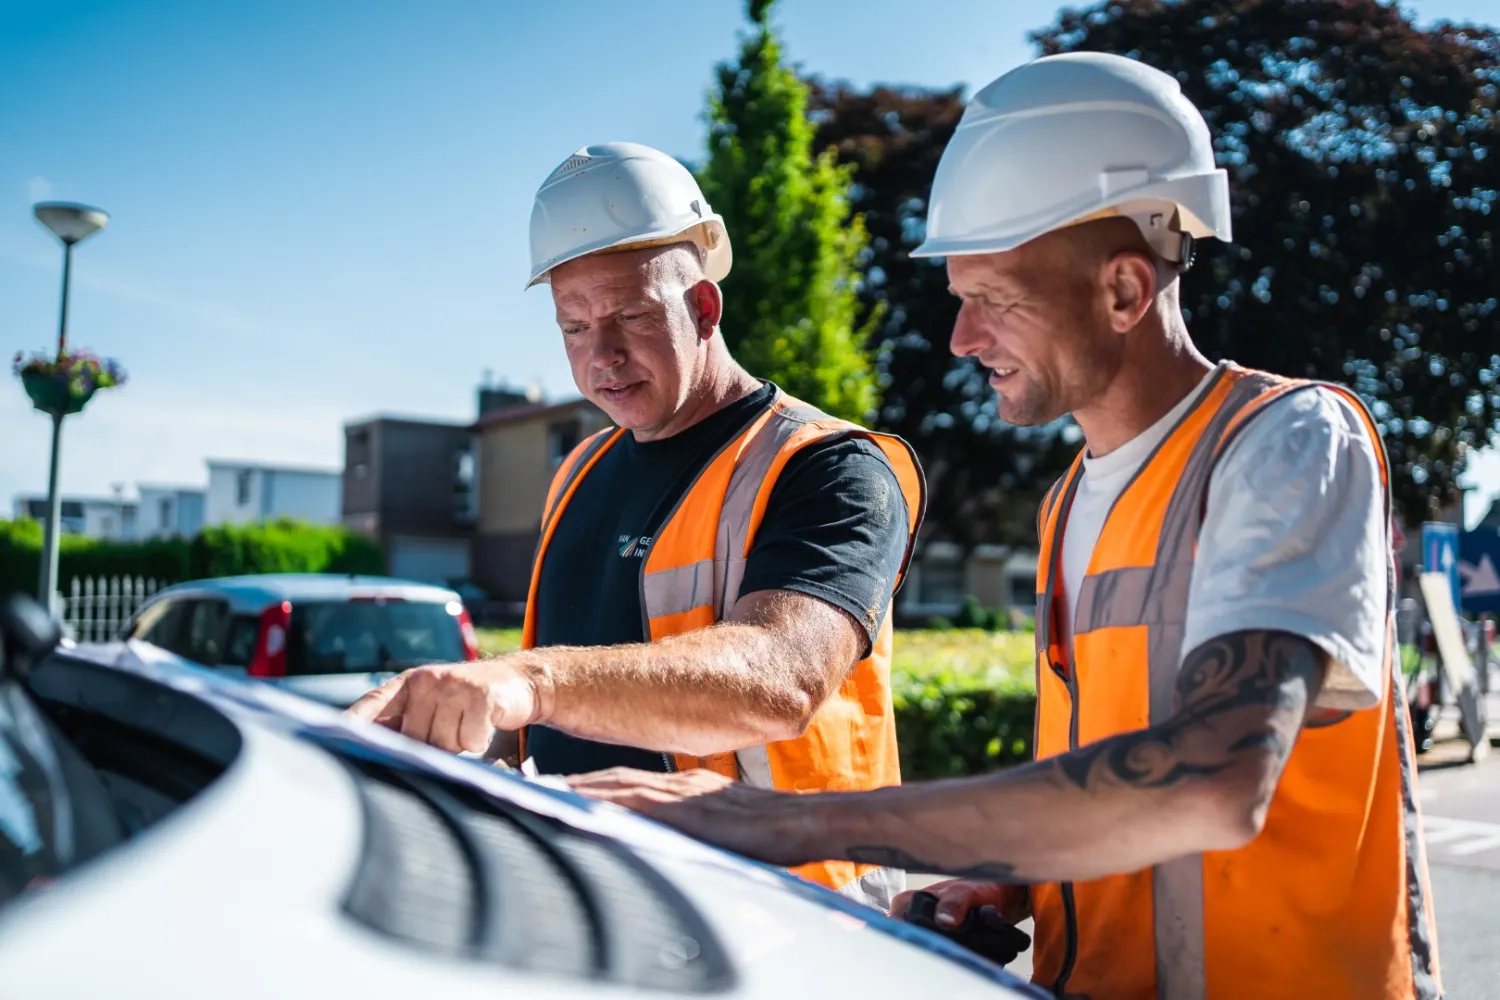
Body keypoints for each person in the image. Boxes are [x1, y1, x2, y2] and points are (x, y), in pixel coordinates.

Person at [567, 55, 1441, 1000]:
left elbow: (1214, 782)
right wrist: (1014, 878)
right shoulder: (1072, 501)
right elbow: (1108, 783)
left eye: (996, 300)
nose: (962, 339)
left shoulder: (1288, 442)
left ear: (1123, 290)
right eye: (959, 298)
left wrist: (784, 822)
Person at [348, 141, 927, 910]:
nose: (602, 357)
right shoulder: (579, 472)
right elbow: (552, 708)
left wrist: (528, 683)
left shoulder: (828, 468)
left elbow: (782, 679)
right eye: (574, 327)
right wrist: (436, 708)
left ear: (704, 308)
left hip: (792, 919)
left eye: (628, 316)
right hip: (602, 906)